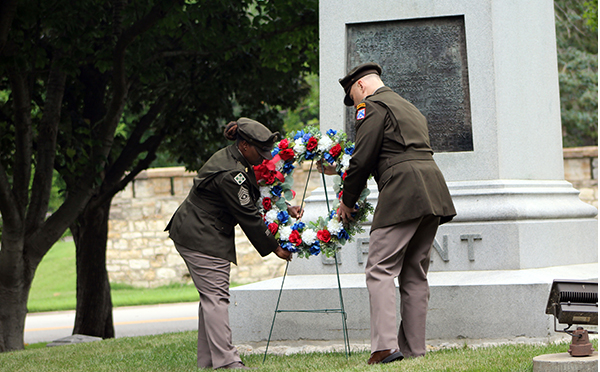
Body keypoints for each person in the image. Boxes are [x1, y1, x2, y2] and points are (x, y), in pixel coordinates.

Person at [319, 62, 456, 364]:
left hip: (403, 192)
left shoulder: (371, 107)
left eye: (353, 97)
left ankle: (383, 347)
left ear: (361, 87)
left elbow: (363, 157)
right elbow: (394, 151)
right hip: (432, 190)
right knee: (415, 274)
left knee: (379, 268)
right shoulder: (409, 107)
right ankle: (414, 350)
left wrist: (347, 200)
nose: (354, 104)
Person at [165, 118, 302, 370]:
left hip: (198, 231)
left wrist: (285, 207)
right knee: (216, 297)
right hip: (200, 236)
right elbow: (247, 215)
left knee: (211, 297)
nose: (263, 158)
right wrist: (274, 247)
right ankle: (228, 362)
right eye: (259, 152)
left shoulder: (235, 159)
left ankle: (208, 361)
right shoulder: (232, 174)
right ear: (245, 145)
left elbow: (252, 197)